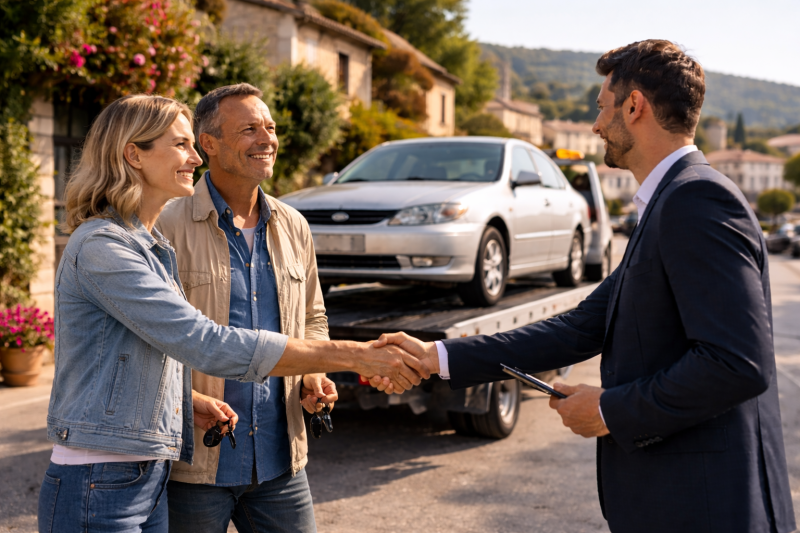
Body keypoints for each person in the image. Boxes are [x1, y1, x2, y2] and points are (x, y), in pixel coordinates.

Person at [374, 40, 796, 533]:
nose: (596, 125)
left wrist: (610, 410)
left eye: (601, 107)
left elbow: (737, 364)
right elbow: (581, 326)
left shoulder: (695, 200)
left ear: (634, 106)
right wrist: (437, 357)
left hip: (707, 507)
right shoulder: (670, 203)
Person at [38, 94, 426, 533]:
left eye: (271, 128)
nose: (193, 158)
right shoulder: (107, 246)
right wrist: (353, 356)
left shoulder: (151, 245)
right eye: (182, 145)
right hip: (107, 477)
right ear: (134, 155)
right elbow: (202, 341)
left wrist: (187, 403)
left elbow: (150, 356)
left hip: (154, 469)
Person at [155, 83, 332, 532]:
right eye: (250, 129)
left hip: (280, 461)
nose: (267, 139)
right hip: (193, 465)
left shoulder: (294, 225)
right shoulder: (165, 225)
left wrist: (314, 373)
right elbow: (145, 337)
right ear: (208, 143)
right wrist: (184, 399)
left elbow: (312, 316)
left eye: (270, 127)